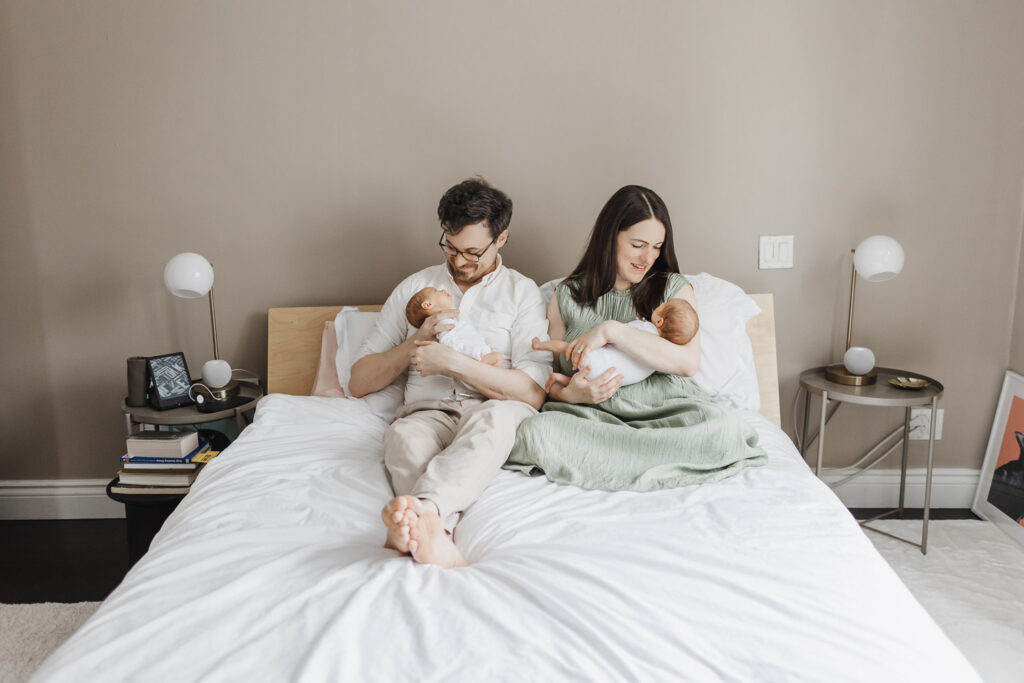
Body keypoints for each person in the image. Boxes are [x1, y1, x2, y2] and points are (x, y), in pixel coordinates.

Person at [506, 185, 766, 491]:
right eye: (639, 244)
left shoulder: (673, 289)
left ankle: (620, 462)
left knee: (725, 431)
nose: (649, 257)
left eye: (657, 246)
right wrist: (572, 396)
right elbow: (554, 379)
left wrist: (612, 330)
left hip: (667, 414)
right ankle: (646, 461)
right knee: (536, 433)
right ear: (610, 237)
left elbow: (686, 364)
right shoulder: (566, 296)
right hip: (592, 417)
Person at [349, 178, 550, 568]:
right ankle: (433, 530)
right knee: (402, 437)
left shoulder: (522, 293)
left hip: (492, 406)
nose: (459, 261)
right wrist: (415, 345)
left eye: (473, 252)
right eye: (450, 247)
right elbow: (359, 381)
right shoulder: (415, 289)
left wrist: (452, 362)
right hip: (427, 414)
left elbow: (532, 393)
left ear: (501, 238)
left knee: (494, 423)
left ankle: (425, 519)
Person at [531, 297, 698, 387]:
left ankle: (540, 345)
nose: (659, 305)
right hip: (608, 381)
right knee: (588, 379)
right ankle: (559, 379)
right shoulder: (660, 358)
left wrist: (639, 324)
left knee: (569, 347)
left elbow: (621, 335)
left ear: (660, 322)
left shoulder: (646, 329)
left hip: (597, 360)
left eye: (662, 307)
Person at [405, 286, 504, 368]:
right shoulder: (443, 323)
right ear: (428, 304)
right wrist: (475, 353)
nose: (443, 290)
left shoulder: (452, 319)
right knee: (498, 358)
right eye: (437, 291)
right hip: (474, 360)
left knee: (498, 362)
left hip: (478, 357)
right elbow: (449, 344)